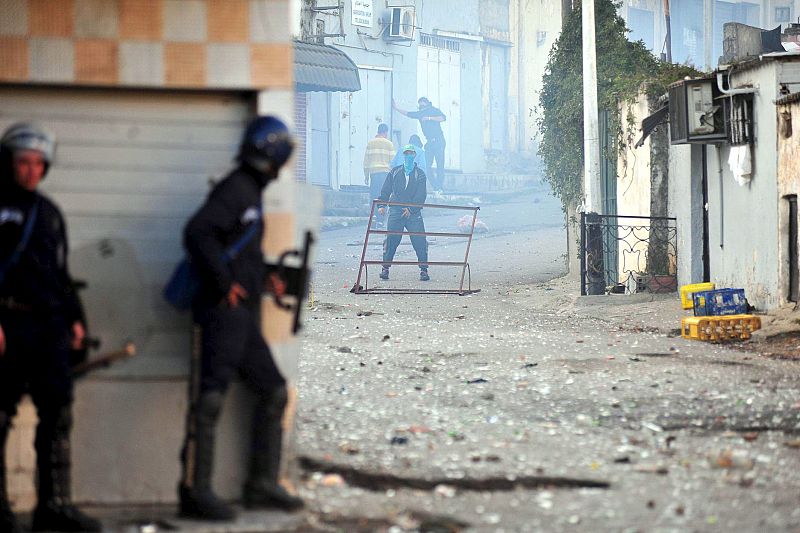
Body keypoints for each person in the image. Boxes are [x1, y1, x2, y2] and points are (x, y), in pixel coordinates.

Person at [177, 116, 304, 521]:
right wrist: (224, 283)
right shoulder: (237, 188)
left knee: (274, 391)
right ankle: (197, 492)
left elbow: (235, 246)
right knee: (212, 397)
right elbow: (198, 232)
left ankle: (260, 485)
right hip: (224, 311)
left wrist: (267, 278)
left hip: (243, 314)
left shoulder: (251, 190)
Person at [0, 123, 101, 532]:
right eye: (24, 162)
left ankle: (54, 506)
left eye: (39, 163)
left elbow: (60, 274)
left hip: (48, 329)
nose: (31, 171)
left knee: (57, 415)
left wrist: (76, 320)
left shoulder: (49, 212)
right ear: (9, 163)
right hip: (8, 326)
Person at [377, 144, 430, 282]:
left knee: (419, 240)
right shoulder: (395, 171)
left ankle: (423, 270)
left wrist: (411, 209)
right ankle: (385, 269)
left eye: (411, 154)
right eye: (406, 154)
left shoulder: (420, 174)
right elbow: (386, 189)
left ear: (415, 156)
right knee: (392, 239)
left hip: (413, 212)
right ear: (403, 155)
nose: (409, 157)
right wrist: (382, 204)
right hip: (396, 209)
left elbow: (421, 195)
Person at [393, 97, 446, 192]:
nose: (421, 107)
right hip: (429, 142)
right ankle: (435, 186)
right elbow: (409, 114)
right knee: (426, 165)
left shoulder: (433, 110)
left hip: (439, 141)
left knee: (440, 165)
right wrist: (396, 108)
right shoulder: (420, 113)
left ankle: (440, 187)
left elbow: (443, 118)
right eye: (420, 105)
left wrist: (429, 118)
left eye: (423, 104)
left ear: (427, 103)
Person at [363, 123, 395, 206]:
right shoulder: (389, 144)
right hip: (385, 173)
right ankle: (382, 215)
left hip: (374, 173)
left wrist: (366, 176)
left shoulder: (370, 143)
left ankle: (375, 213)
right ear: (385, 132)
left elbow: (366, 162)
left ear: (378, 131)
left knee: (374, 193)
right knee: (384, 194)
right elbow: (392, 162)